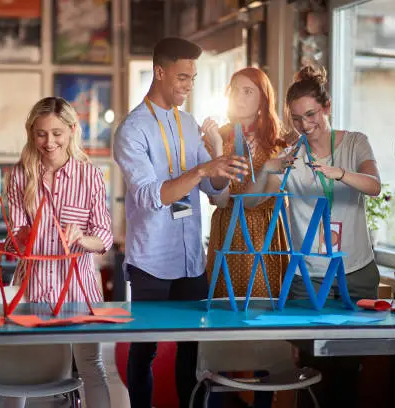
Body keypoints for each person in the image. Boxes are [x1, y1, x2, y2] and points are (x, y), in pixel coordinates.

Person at [113, 37, 248, 408]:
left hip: (191, 260)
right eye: (183, 77)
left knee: (193, 351)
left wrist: (218, 158)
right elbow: (148, 195)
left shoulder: (188, 124)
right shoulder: (131, 130)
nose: (190, 85)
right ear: (159, 72)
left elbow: (213, 190)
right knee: (145, 351)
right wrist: (203, 167)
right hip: (151, 261)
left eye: (193, 77)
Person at [247, 65, 382, 408]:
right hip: (309, 275)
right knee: (310, 371)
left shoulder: (355, 143)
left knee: (348, 370)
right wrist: (265, 170)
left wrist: (339, 173)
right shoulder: (292, 158)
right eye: (296, 118)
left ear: (327, 107)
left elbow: (374, 186)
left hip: (355, 272)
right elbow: (251, 203)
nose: (305, 125)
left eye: (311, 114)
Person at [4, 96, 113, 408]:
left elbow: (104, 235)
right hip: (31, 289)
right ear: (31, 133)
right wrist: (22, 237)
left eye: (56, 133)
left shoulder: (90, 175)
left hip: (79, 289)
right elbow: (13, 242)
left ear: (71, 131)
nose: (49, 142)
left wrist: (83, 238)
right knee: (22, 371)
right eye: (41, 134)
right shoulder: (20, 175)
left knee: (91, 367)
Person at [202, 67, 290, 408]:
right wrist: (213, 148)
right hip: (227, 235)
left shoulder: (278, 143)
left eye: (248, 90)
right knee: (222, 328)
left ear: (262, 100)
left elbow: (252, 201)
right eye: (235, 89)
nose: (239, 96)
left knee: (261, 332)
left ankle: (263, 403)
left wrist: (267, 171)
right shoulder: (218, 136)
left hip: (262, 238)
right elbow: (219, 198)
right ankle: (218, 401)